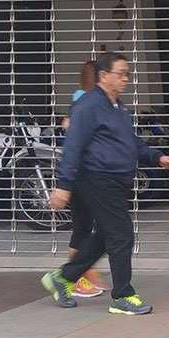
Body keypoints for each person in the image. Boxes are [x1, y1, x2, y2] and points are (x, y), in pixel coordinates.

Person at [41, 52, 169, 315]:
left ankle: (63, 277)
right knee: (121, 234)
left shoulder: (117, 106)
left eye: (128, 73)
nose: (126, 79)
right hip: (96, 177)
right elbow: (73, 146)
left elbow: (131, 142)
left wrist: (158, 157)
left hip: (115, 180)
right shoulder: (88, 106)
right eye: (121, 73)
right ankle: (122, 296)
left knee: (108, 235)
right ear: (104, 76)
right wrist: (63, 185)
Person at [61, 59, 107, 299]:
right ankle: (74, 278)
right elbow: (73, 135)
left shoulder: (86, 102)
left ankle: (81, 274)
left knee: (86, 227)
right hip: (82, 175)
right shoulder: (84, 103)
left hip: (85, 175)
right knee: (82, 228)